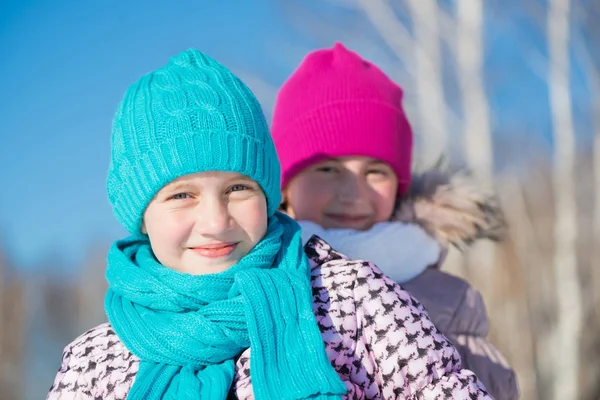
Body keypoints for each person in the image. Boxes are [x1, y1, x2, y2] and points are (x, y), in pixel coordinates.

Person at [47, 48, 492, 399]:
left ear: (269, 194)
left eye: (238, 189)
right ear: (140, 215)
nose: (216, 221)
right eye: (182, 196)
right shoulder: (96, 360)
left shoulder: (353, 301)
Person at [271, 42, 518, 400]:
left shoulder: (451, 302)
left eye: (375, 171)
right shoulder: (243, 283)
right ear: (284, 186)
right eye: (328, 169)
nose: (353, 193)